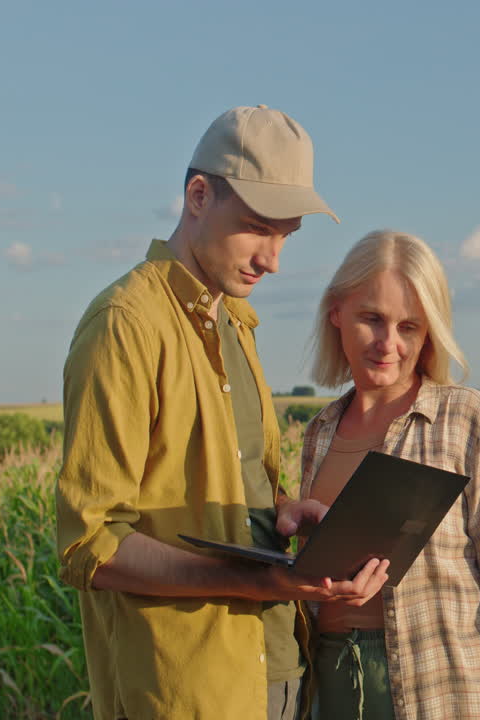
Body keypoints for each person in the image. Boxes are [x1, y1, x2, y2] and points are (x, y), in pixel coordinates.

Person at [56, 105, 390, 720]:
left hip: (282, 665)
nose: (273, 259)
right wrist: (257, 581)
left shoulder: (235, 320)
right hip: (188, 688)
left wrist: (283, 514)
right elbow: (92, 543)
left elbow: (232, 479)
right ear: (198, 195)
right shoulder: (125, 325)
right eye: (257, 228)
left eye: (286, 235)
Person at [280, 230, 480, 719]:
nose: (389, 344)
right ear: (336, 312)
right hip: (332, 683)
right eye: (372, 319)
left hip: (440, 693)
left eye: (410, 326)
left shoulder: (467, 420)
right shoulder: (318, 434)